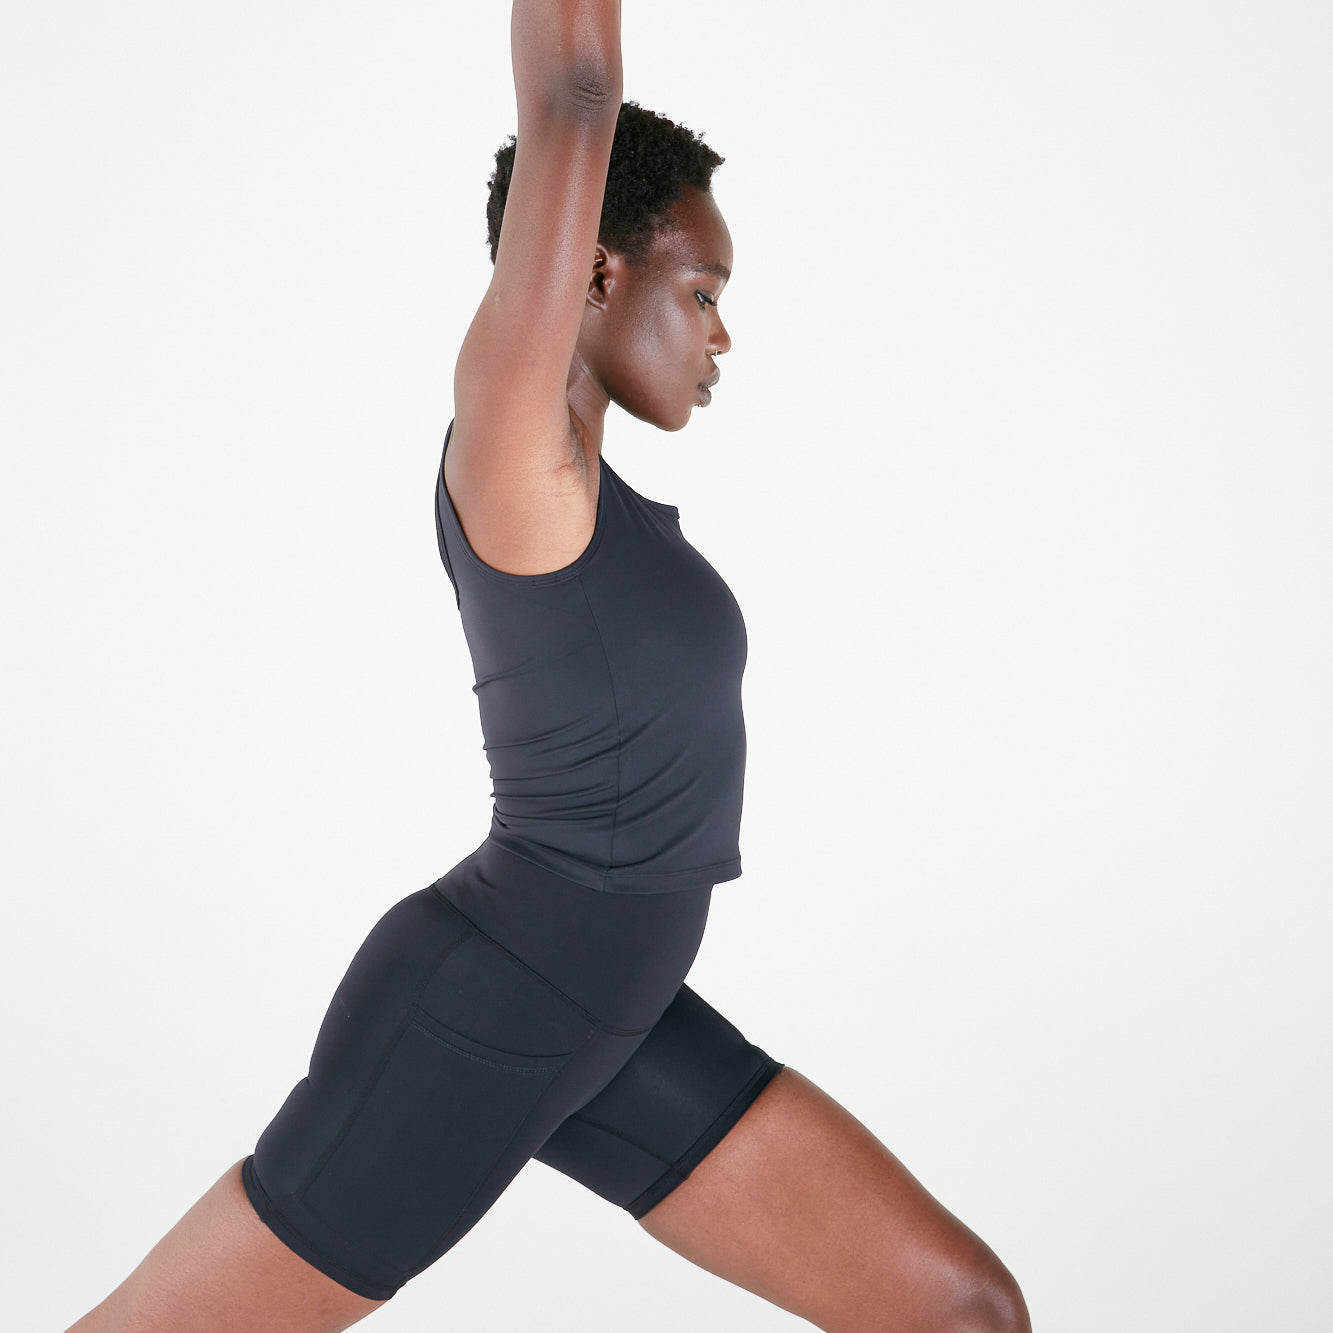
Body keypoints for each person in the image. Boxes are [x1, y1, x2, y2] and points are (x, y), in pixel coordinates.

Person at [67, 4, 1031, 1331]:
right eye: (701, 291)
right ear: (586, 276)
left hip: (608, 1012)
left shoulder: (601, 499)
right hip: (485, 1011)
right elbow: (573, 98)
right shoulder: (520, 447)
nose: (721, 335)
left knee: (957, 1307)